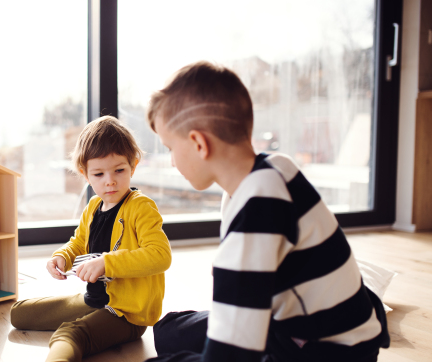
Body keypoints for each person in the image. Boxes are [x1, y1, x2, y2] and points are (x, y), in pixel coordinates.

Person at [144, 61, 390, 362]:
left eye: (169, 148)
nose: (171, 161)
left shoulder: (257, 211)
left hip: (326, 351)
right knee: (169, 331)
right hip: (308, 325)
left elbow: (231, 357)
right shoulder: (276, 165)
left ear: (198, 143)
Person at [10, 116, 172, 362]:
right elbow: (77, 242)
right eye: (99, 174)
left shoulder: (141, 207)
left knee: (70, 335)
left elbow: (161, 255)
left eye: (119, 170)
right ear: (86, 175)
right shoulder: (94, 205)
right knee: (19, 314)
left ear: (133, 166)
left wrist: (108, 262)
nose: (110, 181)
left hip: (126, 313)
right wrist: (62, 257)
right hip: (93, 300)